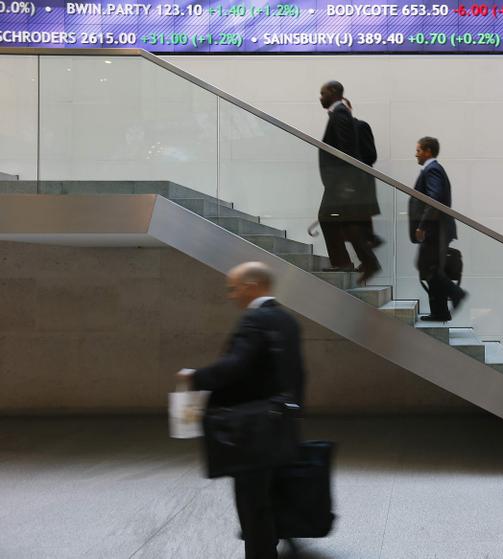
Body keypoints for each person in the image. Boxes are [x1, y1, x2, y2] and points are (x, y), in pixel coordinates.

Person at [176, 262, 305, 558]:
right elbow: (298, 373)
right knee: (272, 488)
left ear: (251, 286)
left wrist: (195, 377)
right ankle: (281, 535)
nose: (230, 295)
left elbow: (235, 366)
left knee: (252, 501)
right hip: (282, 418)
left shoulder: (254, 320)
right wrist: (296, 412)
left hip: (253, 425)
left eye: (232, 288)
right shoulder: (287, 320)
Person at [317, 80, 381, 282]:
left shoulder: (340, 113)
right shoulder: (339, 114)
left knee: (328, 218)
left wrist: (346, 183)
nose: (321, 97)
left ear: (334, 92)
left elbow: (347, 150)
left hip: (341, 182)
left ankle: (346, 262)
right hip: (342, 182)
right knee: (346, 223)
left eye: (323, 93)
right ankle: (362, 260)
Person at [410, 136, 467, 321]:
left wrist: (422, 226)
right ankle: (440, 311)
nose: (416, 154)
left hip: (436, 229)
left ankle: (456, 294)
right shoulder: (433, 169)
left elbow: (433, 199)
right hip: (437, 229)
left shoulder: (432, 170)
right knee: (431, 268)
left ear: (428, 151)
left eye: (418, 150)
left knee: (427, 267)